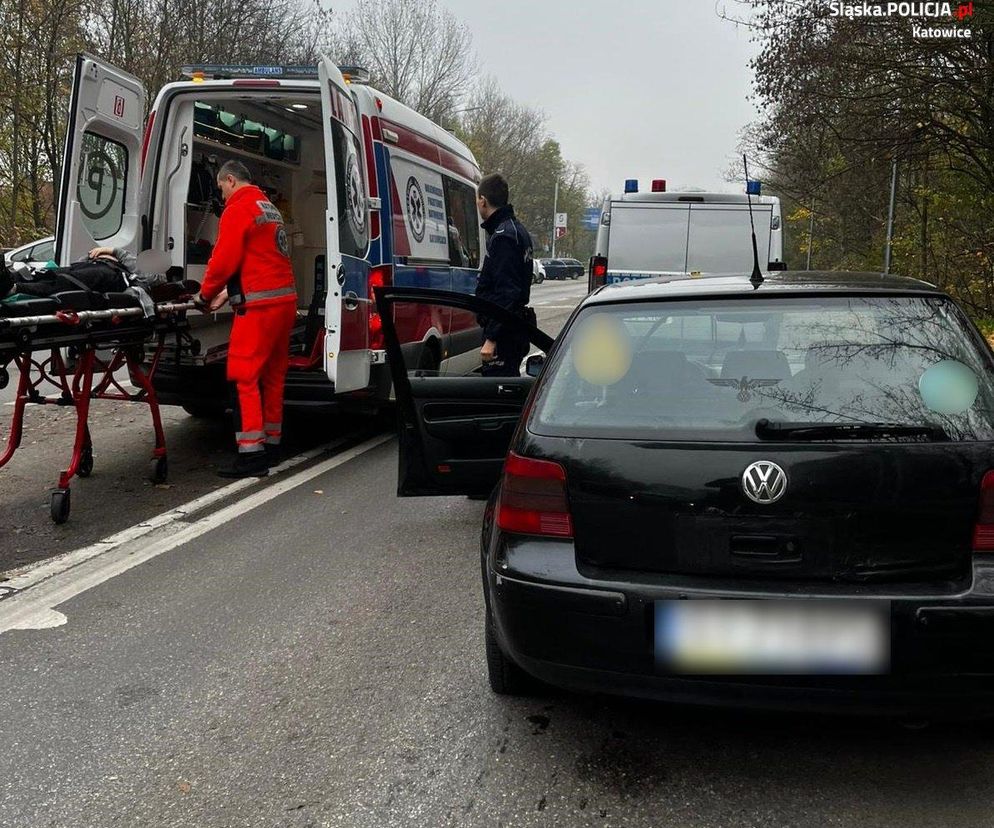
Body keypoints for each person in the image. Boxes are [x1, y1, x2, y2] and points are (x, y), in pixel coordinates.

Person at [193, 159, 297, 478]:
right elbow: (258, 257)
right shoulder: (267, 207)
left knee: (244, 375)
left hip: (260, 307)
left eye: (222, 187)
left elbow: (224, 259)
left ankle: (252, 455)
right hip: (283, 302)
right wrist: (227, 292)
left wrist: (205, 295)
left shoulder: (239, 206)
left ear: (231, 180)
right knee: (273, 375)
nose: (221, 194)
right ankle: (272, 444)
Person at [474, 173, 533, 377]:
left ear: (483, 200)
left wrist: (491, 338)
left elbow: (507, 293)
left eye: (477, 200)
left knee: (498, 391)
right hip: (510, 328)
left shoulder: (503, 237)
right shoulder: (516, 230)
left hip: (504, 334)